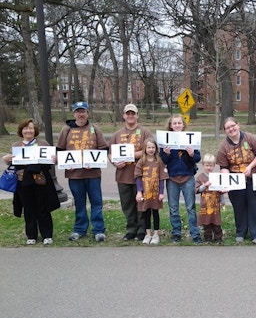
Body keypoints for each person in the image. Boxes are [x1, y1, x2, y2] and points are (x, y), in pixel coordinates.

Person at [56, 101, 108, 242]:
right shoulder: (66, 129)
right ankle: (79, 229)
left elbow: (103, 148)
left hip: (93, 174)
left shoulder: (94, 129)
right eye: (78, 111)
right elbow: (60, 150)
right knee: (79, 203)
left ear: (87, 113)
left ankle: (98, 230)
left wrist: (95, 162)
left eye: (83, 111)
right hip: (74, 174)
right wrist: (66, 164)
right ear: (74, 114)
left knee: (96, 202)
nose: (81, 114)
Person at [2, 119, 60, 245]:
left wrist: (55, 159)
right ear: (21, 131)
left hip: (41, 180)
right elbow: (11, 161)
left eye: (31, 128)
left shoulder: (43, 143)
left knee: (43, 207)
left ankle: (47, 235)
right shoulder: (16, 146)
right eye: (25, 128)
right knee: (28, 208)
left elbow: (52, 161)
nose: (28, 131)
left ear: (35, 131)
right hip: (23, 181)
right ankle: (31, 235)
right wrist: (5, 158)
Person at [216, 117, 256, 244]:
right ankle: (241, 232)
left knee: (255, 206)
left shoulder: (250, 138)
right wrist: (226, 182)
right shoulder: (223, 146)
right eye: (228, 128)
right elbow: (224, 167)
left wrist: (250, 167)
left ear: (238, 125)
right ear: (225, 131)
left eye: (233, 126)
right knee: (239, 207)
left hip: (252, 178)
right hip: (235, 181)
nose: (231, 129)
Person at [109, 104, 153, 241]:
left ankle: (142, 230)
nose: (130, 116)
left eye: (133, 113)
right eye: (128, 113)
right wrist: (115, 161)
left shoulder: (145, 132)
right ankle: (131, 229)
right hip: (123, 175)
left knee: (141, 204)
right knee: (127, 205)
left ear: (137, 115)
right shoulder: (117, 134)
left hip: (142, 175)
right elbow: (110, 153)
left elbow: (150, 150)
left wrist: (131, 155)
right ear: (124, 116)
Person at [160, 114, 202, 244]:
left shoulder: (191, 139)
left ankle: (195, 233)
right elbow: (163, 160)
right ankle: (176, 232)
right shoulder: (165, 140)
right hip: (172, 178)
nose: (177, 125)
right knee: (173, 208)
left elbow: (197, 158)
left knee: (191, 207)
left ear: (183, 125)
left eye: (179, 123)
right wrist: (166, 154)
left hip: (188, 177)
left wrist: (191, 154)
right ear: (171, 126)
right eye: (174, 123)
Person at [134, 138, 168, 245]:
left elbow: (162, 177)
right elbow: (138, 177)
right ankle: (147, 234)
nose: (151, 149)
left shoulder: (159, 161)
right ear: (145, 149)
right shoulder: (141, 162)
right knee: (146, 213)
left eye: (153, 147)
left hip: (156, 193)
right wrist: (139, 192)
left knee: (155, 213)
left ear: (156, 149)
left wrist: (161, 192)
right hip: (145, 192)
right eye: (149, 147)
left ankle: (156, 234)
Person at [195, 153, 225, 244]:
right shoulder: (200, 177)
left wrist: (222, 201)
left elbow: (220, 191)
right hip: (205, 204)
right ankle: (207, 238)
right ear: (203, 165)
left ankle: (218, 238)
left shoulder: (217, 177)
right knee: (206, 222)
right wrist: (204, 185)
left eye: (211, 165)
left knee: (216, 222)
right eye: (207, 165)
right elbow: (197, 190)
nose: (209, 167)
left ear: (214, 166)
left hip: (215, 204)